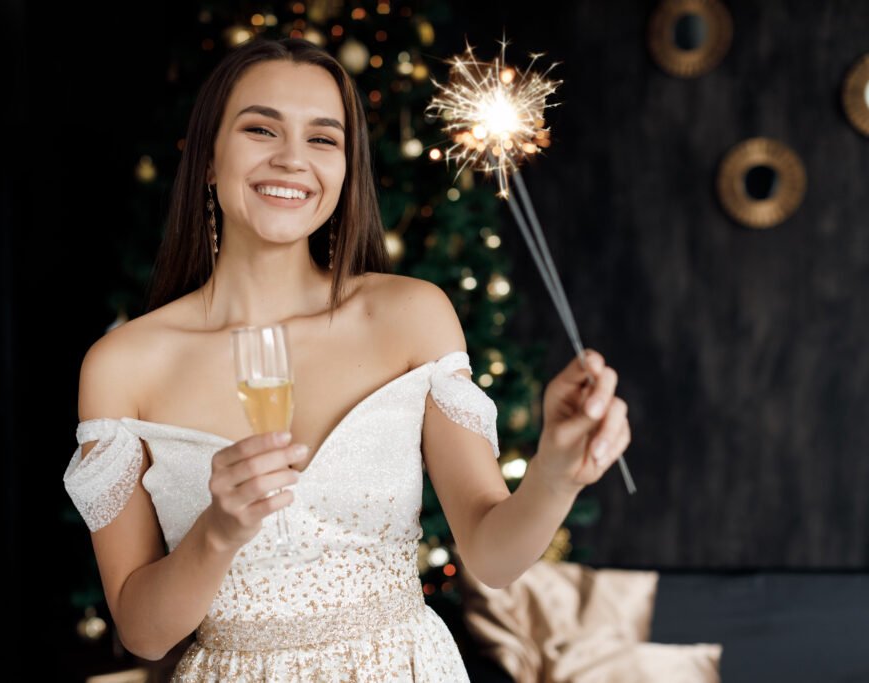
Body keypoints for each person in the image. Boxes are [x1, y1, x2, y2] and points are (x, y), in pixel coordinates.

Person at [63, 37, 631, 682]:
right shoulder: (123, 365)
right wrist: (217, 532)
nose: (291, 159)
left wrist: (558, 469)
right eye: (260, 129)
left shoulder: (411, 315)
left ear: (346, 169)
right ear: (207, 159)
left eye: (323, 140)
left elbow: (493, 558)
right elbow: (142, 633)